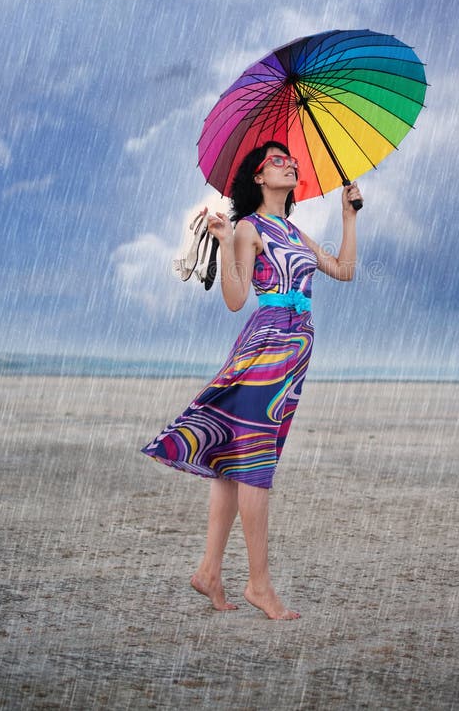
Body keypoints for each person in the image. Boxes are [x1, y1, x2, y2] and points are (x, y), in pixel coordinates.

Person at [141, 141, 362, 619]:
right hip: (267, 345)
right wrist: (224, 245)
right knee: (256, 461)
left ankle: (209, 571)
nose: (289, 164)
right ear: (259, 177)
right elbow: (237, 298)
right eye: (277, 161)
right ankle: (259, 585)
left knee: (233, 458)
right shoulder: (249, 227)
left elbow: (343, 270)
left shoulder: (295, 232)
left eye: (291, 160)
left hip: (295, 349)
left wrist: (349, 217)